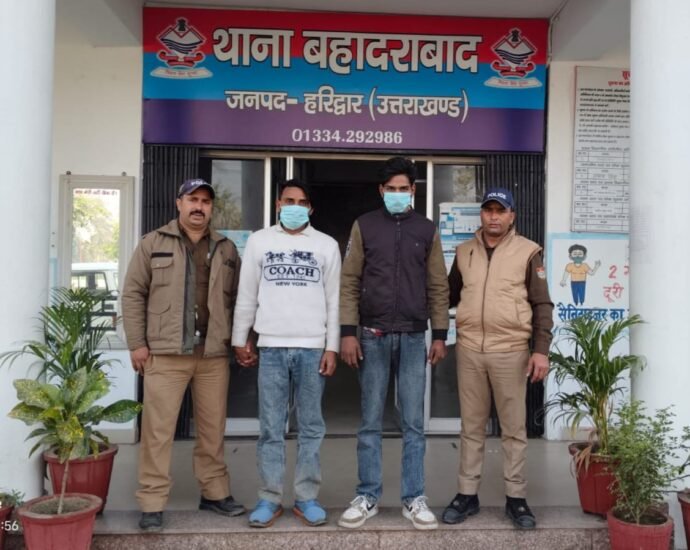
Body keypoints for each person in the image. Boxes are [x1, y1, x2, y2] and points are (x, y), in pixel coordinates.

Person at [122, 178, 246, 531]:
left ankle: (214, 493)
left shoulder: (226, 248)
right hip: (165, 353)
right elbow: (133, 294)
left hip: (212, 354)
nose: (199, 207)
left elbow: (239, 299)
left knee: (212, 430)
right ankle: (152, 502)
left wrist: (240, 341)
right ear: (179, 203)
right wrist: (137, 343)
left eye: (205, 201)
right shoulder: (152, 243)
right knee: (158, 432)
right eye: (193, 199)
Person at [338, 156, 449, 531]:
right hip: (373, 335)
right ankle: (367, 496)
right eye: (391, 189)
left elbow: (438, 285)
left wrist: (439, 334)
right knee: (370, 421)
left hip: (415, 336)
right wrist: (348, 331)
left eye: (404, 189)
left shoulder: (427, 230)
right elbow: (349, 281)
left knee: (414, 423)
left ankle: (413, 498)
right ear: (381, 190)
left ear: (413, 191)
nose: (398, 194)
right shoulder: (364, 226)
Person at [231, 179, 341, 528]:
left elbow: (334, 301)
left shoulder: (326, 245)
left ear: (311, 208)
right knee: (271, 427)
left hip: (312, 347)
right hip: (271, 346)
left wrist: (332, 346)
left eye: (301, 202)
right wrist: (239, 338)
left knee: (311, 427)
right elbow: (247, 294)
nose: (294, 206)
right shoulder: (260, 241)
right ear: (278, 204)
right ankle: (270, 497)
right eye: (288, 200)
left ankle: (306, 498)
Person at [442, 188, 554, 529]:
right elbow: (447, 295)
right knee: (471, 426)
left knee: (513, 429)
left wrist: (541, 350)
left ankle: (516, 498)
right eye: (488, 210)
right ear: (481, 214)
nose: (493, 216)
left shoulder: (528, 252)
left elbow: (542, 304)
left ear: (511, 216)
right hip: (470, 350)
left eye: (500, 210)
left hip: (511, 350)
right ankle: (467, 494)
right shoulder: (464, 252)